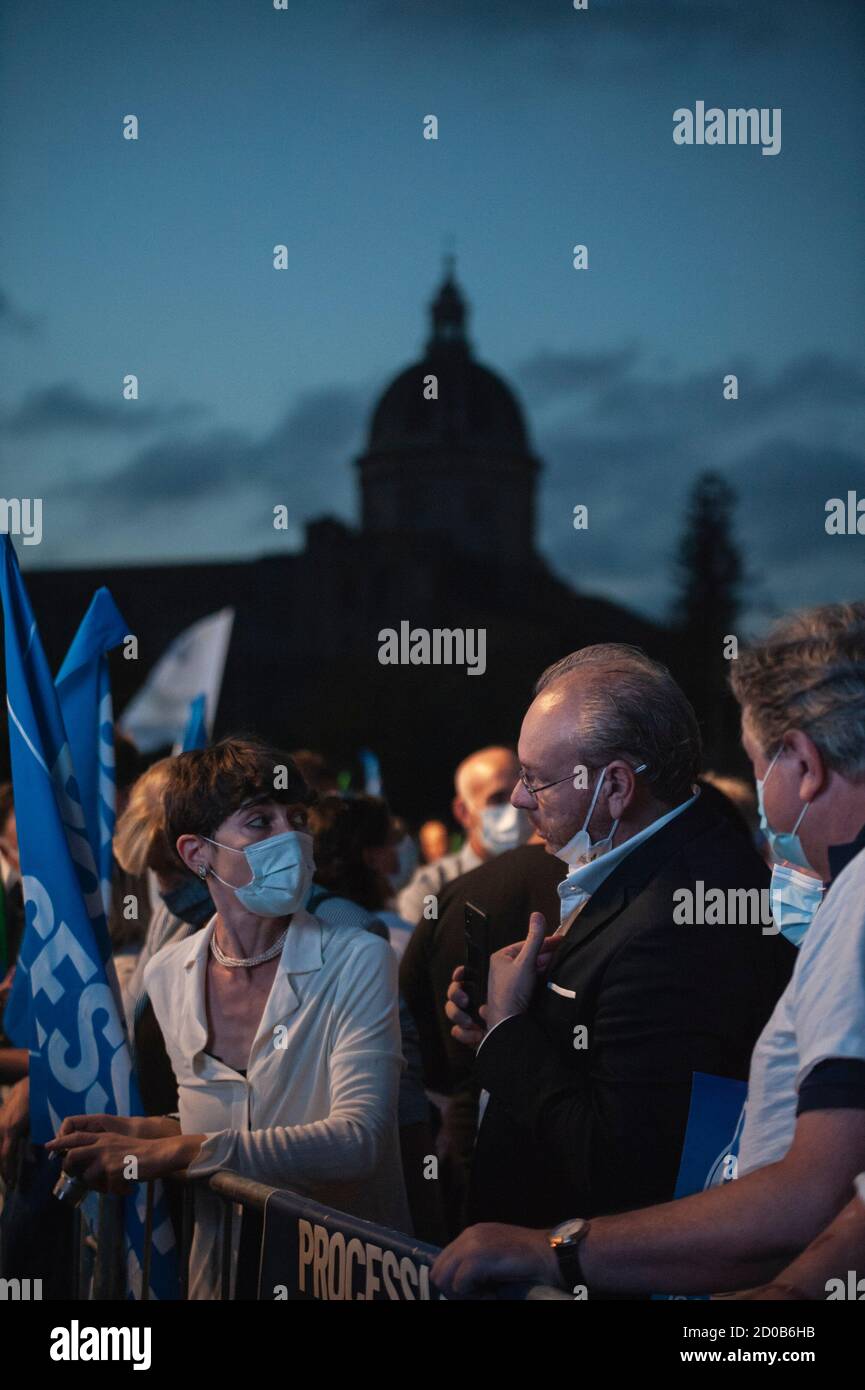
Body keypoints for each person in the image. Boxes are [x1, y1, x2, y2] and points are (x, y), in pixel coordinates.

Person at [433, 604, 865, 1299]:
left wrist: (557, 1252)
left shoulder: (693, 915)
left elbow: (642, 1168)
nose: (517, 797)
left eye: (536, 778)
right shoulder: (665, 865)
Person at [444, 643, 794, 1232]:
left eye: (536, 779)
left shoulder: (678, 922)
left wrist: (506, 1035)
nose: (518, 798)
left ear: (615, 788)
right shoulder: (671, 852)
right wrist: (509, 1023)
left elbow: (620, 1167)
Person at [47, 737, 410, 1298]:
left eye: (296, 817)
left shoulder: (356, 955)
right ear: (197, 854)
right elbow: (239, 1125)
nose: (290, 837)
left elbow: (356, 1142)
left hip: (336, 1277)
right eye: (260, 821)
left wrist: (177, 1151)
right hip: (219, 1273)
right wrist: (150, 1132)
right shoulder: (169, 973)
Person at [396, 746, 531, 927]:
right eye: (498, 798)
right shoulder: (431, 891)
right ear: (463, 812)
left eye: (523, 792)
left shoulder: (553, 874)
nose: (516, 805)